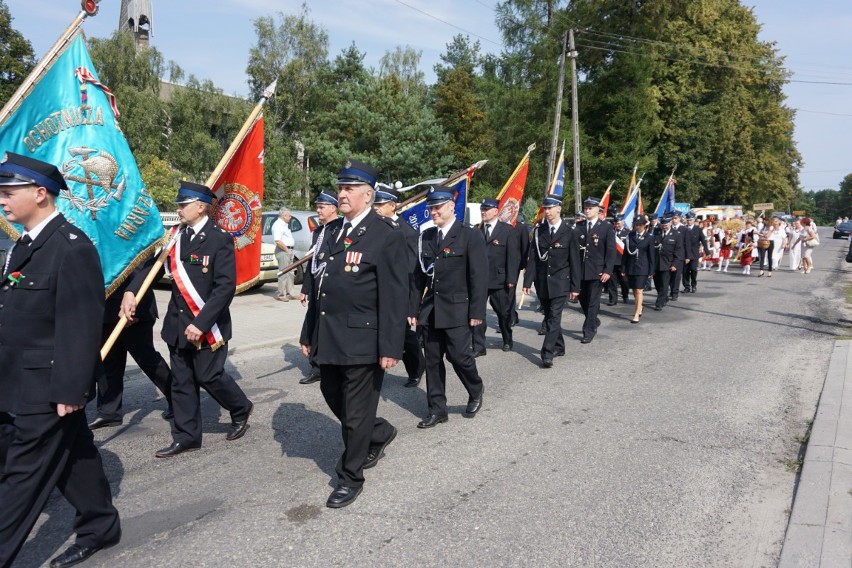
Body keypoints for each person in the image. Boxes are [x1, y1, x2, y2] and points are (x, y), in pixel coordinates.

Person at [0, 152, 121, 568]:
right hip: (13, 379)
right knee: (73, 455)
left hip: (47, 386)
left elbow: (82, 324)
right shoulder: (22, 248)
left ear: (40, 194)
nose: (1, 200)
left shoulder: (71, 248)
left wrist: (72, 388)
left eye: (8, 191)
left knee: (20, 476)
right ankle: (101, 523)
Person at [299, 159, 406, 508]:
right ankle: (379, 433)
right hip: (329, 335)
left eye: (348, 190)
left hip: (364, 338)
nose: (341, 195)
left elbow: (394, 295)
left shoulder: (385, 235)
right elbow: (320, 287)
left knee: (356, 412)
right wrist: (309, 331)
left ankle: (350, 475)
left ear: (367, 195)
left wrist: (391, 346)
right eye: (340, 188)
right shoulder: (331, 232)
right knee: (333, 394)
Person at [126, 181, 254, 458]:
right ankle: (186, 436)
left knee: (209, 376)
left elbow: (224, 287)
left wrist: (202, 322)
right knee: (181, 382)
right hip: (178, 324)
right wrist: (131, 292)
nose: (179, 209)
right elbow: (151, 268)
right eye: (179, 205)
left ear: (200, 206)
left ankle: (240, 407)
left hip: (208, 325)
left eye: (183, 205)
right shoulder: (173, 236)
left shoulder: (219, 238)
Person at [411, 185, 487, 425]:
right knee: (432, 361)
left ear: (451, 206)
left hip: (457, 309)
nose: (433, 212)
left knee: (459, 357)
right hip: (431, 311)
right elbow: (418, 278)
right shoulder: (427, 237)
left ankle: (475, 389)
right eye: (431, 207)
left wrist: (476, 312)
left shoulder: (469, 235)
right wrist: (412, 310)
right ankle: (437, 409)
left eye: (438, 207)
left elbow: (478, 276)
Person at [89, 257, 174, 429]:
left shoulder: (132, 233)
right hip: (105, 309)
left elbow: (149, 270)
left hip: (133, 309)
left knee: (148, 360)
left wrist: (135, 305)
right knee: (108, 363)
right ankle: (109, 412)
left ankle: (179, 399)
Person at [372, 183, 425, 387]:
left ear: (393, 206)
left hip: (398, 292)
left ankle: (417, 368)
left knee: (403, 335)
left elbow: (411, 271)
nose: (376, 208)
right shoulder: (374, 228)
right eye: (375, 204)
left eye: (381, 204)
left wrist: (412, 304)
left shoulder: (407, 232)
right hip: (377, 291)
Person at [522, 196, 580, 367]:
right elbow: (533, 259)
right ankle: (560, 346)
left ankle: (547, 353)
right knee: (549, 317)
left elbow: (575, 261)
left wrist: (575, 287)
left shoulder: (569, 232)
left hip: (561, 282)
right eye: (545, 208)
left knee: (553, 318)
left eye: (550, 208)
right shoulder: (540, 231)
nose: (547, 212)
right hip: (542, 283)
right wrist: (527, 282)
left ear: (559, 209)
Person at [298, 191, 339, 385]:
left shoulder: (339, 228)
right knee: (313, 325)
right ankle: (316, 367)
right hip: (317, 284)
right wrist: (305, 289)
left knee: (327, 327)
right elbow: (312, 262)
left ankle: (328, 364)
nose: (318, 210)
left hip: (331, 285)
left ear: (333, 208)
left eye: (322, 207)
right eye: (317, 206)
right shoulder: (317, 231)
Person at [472, 198, 520, 355]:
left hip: (499, 280)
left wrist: (511, 279)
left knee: (503, 313)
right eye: (482, 209)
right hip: (479, 280)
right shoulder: (476, 231)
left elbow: (513, 257)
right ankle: (479, 346)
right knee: (477, 314)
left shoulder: (506, 230)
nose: (483, 212)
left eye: (487, 209)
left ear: (496, 211)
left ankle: (507, 339)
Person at [574, 196, 617, 344]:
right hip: (580, 270)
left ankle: (589, 330)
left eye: (590, 208)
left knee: (593, 300)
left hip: (597, 271)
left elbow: (611, 252)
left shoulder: (606, 228)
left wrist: (608, 271)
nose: (587, 211)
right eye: (586, 208)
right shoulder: (579, 226)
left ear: (597, 210)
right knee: (583, 300)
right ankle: (593, 320)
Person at [621, 215, 656, 323]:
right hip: (631, 267)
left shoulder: (649, 237)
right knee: (635, 290)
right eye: (636, 225)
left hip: (643, 267)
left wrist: (651, 270)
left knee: (639, 290)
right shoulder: (630, 236)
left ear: (644, 225)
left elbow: (651, 255)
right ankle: (639, 306)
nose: (638, 227)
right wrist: (623, 268)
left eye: (640, 225)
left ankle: (636, 314)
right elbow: (625, 254)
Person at [652, 215, 684, 311]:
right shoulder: (656, 232)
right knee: (657, 283)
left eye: (666, 225)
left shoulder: (676, 234)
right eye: (663, 225)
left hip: (668, 264)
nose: (664, 227)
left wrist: (675, 264)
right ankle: (664, 297)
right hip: (656, 263)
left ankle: (659, 303)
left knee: (664, 284)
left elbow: (678, 251)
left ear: (670, 224)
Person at [272, 206, 296, 301]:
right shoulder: (278, 225)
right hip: (283, 251)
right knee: (284, 272)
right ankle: (281, 294)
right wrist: (287, 250)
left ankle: (291, 293)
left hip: (288, 250)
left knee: (290, 272)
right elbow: (278, 240)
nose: (290, 217)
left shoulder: (284, 225)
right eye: (289, 216)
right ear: (284, 215)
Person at [607, 214, 630, 305]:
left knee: (624, 281)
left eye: (619, 223)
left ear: (623, 223)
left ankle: (625, 295)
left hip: (622, 261)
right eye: (616, 223)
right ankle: (613, 299)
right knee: (611, 281)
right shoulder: (610, 232)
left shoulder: (627, 233)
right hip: (611, 261)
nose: (617, 225)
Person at [668, 212, 687, 300]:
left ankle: (675, 293)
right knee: (669, 276)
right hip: (669, 256)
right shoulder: (669, 227)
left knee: (676, 276)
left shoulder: (684, 229)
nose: (674, 220)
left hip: (680, 255)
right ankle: (671, 290)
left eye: (675, 218)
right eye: (673, 218)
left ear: (679, 219)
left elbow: (687, 243)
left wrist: (687, 256)